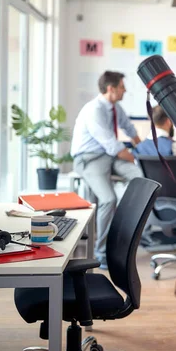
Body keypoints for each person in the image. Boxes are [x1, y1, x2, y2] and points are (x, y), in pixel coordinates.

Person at [70, 71, 143, 270]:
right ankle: (101, 253)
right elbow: (111, 143)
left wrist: (143, 150)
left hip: (109, 157)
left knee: (141, 177)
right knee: (108, 199)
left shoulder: (115, 108)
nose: (125, 90)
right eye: (122, 87)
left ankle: (126, 229)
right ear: (111, 88)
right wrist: (137, 156)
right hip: (89, 158)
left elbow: (129, 129)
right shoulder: (93, 109)